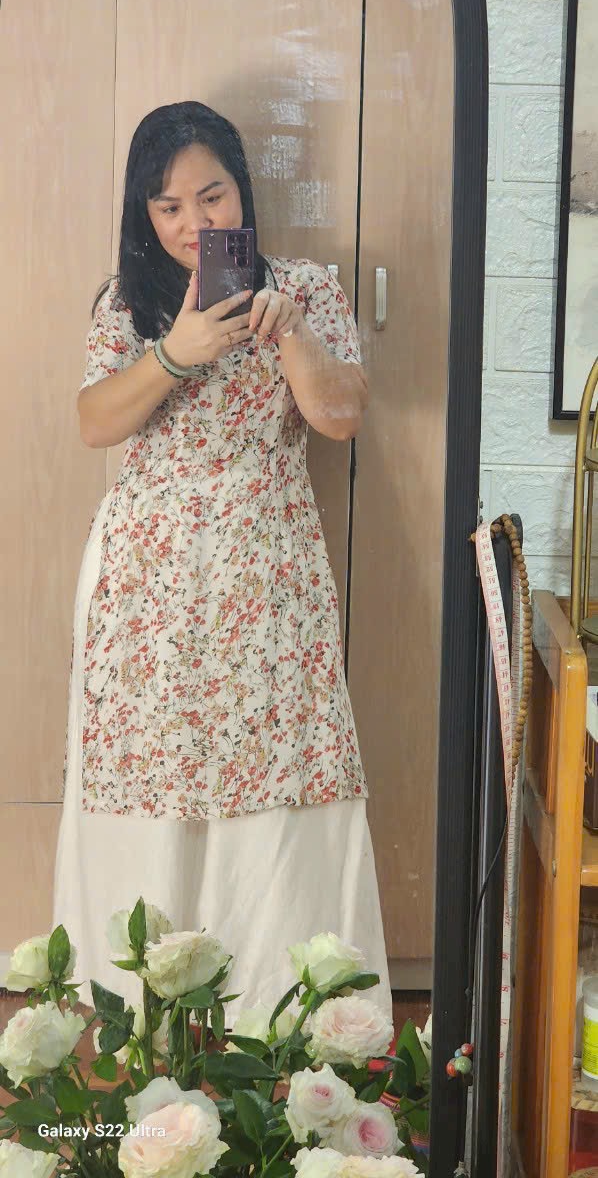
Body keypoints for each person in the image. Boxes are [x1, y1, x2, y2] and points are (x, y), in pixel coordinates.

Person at [52, 100, 393, 1027]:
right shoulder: (129, 302)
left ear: (243, 189)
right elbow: (93, 423)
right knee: (150, 775)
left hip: (268, 568)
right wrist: (176, 352)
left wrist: (288, 335)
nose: (194, 224)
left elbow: (342, 415)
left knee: (283, 770)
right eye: (169, 207)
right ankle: (144, 1011)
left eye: (213, 197)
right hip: (148, 581)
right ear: (145, 214)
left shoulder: (305, 289)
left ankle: (286, 1018)